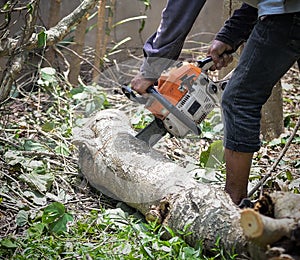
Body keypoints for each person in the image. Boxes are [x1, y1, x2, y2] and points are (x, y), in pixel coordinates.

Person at [131, 0, 300, 205]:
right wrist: (231, 33)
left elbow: (182, 6)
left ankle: (233, 203)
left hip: (288, 14)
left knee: (239, 99)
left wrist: (152, 68)